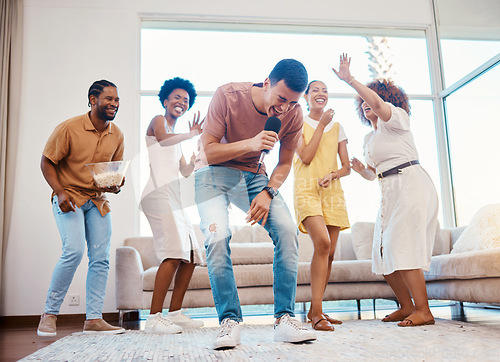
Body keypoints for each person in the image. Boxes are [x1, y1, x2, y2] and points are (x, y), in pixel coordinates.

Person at [194, 59, 317, 349]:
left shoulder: (294, 114)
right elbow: (209, 151)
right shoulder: (227, 95)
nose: (284, 108)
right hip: (211, 174)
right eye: (281, 99)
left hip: (254, 178)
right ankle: (230, 320)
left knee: (287, 230)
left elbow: (285, 162)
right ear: (266, 83)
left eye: (292, 102)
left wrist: (269, 191)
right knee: (217, 235)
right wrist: (251, 143)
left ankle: (284, 318)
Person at [332, 54, 439, 327]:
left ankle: (423, 310)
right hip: (388, 190)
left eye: (373, 98)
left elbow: (379, 103)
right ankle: (406, 306)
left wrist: (351, 80)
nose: (368, 103)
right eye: (363, 102)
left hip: (410, 183)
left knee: (400, 245)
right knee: (381, 253)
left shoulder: (396, 120)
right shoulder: (370, 138)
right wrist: (360, 170)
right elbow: (372, 174)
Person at [37, 80, 126, 336]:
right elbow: (46, 162)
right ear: (92, 99)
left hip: (97, 201)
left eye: (117, 100)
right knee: (73, 252)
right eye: (109, 99)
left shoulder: (117, 134)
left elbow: (113, 172)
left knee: (100, 258)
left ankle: (94, 320)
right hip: (70, 198)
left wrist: (115, 184)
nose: (114, 104)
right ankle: (49, 314)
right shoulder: (68, 128)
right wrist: (60, 191)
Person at [140, 77, 204, 334]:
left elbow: (185, 172)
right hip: (156, 194)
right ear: (166, 101)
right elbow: (165, 140)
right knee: (175, 251)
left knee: (191, 254)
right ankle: (154, 318)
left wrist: (194, 160)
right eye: (177, 97)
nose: (181, 102)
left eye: (186, 100)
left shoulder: (176, 140)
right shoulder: (159, 122)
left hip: (172, 196)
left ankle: (175, 313)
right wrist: (191, 134)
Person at [293, 80, 350, 331]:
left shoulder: (338, 127)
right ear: (306, 96)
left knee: (330, 253)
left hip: (332, 191)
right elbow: (305, 156)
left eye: (325, 90)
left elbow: (346, 168)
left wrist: (333, 174)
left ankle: (316, 310)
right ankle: (316, 314)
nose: (321, 93)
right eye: (315, 90)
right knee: (322, 244)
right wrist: (321, 125)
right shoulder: (296, 123)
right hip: (306, 188)